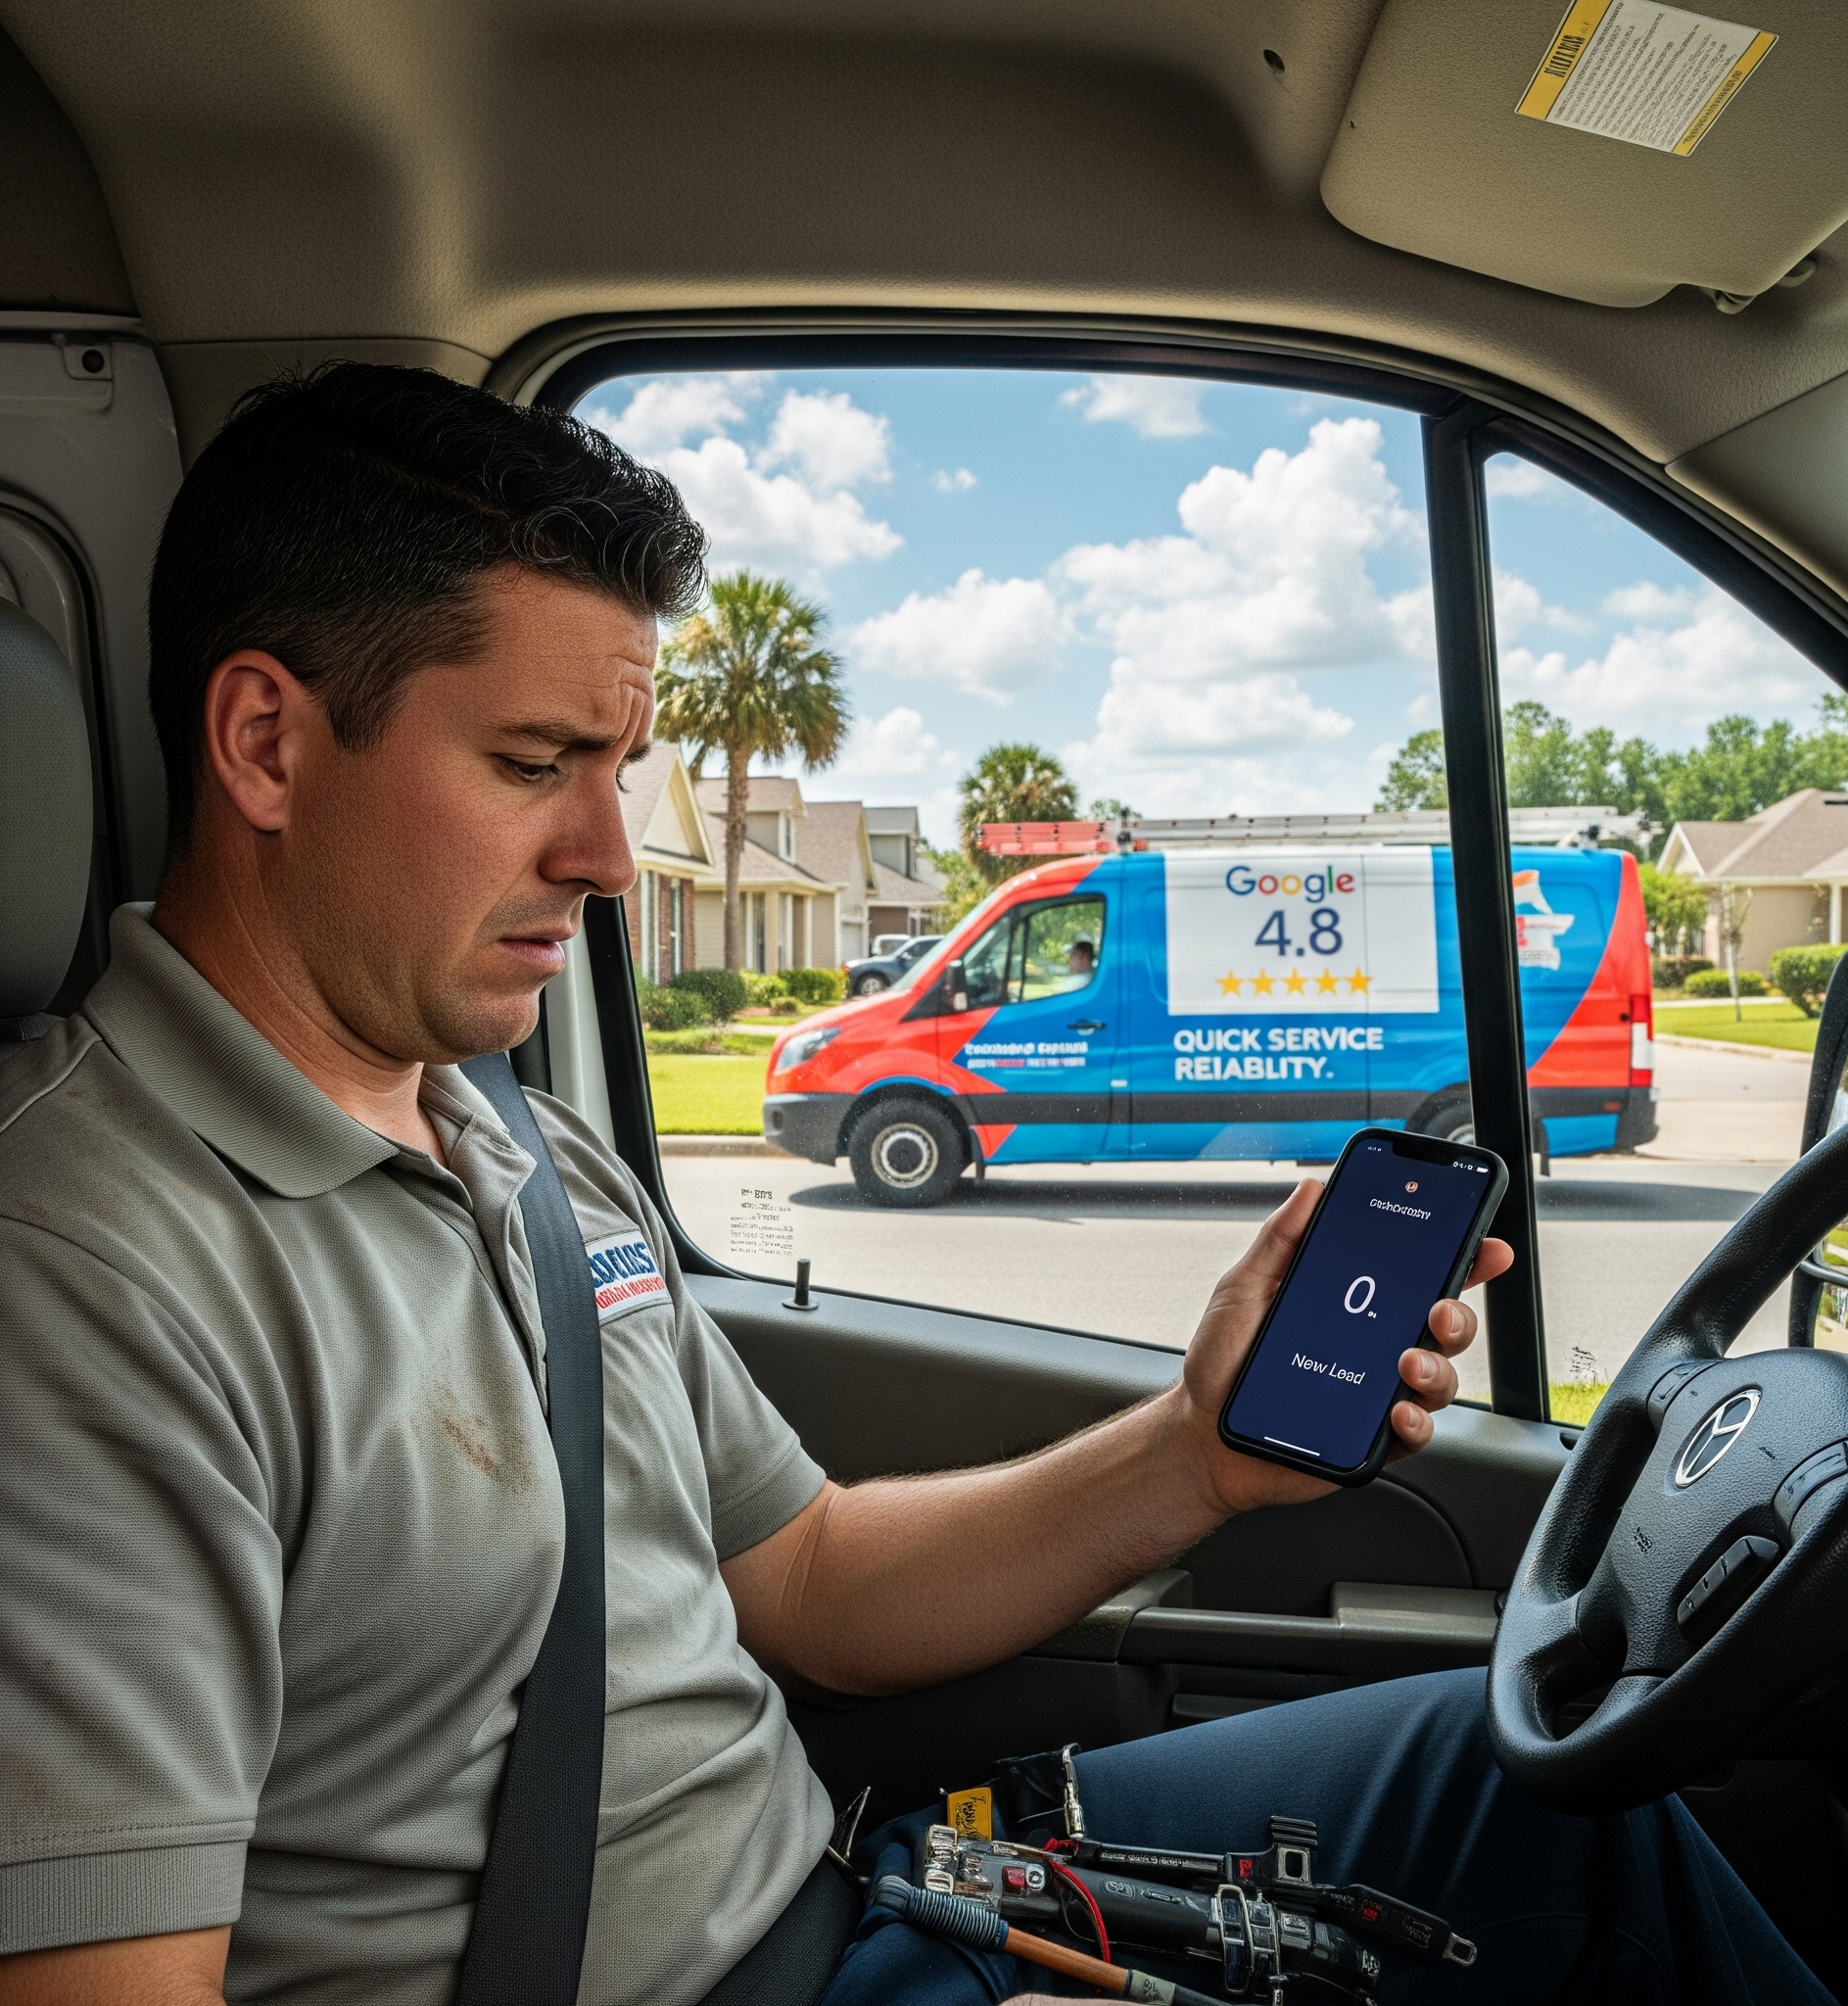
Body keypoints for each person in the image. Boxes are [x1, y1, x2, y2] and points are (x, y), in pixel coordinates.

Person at [0, 365, 1824, 2006]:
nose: (610, 856)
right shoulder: (82, 1268)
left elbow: (798, 1578)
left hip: (870, 1900)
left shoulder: (510, 1140)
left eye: (618, 769)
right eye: (532, 766)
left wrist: (1192, 1453)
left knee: (1534, 1797)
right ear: (263, 743)